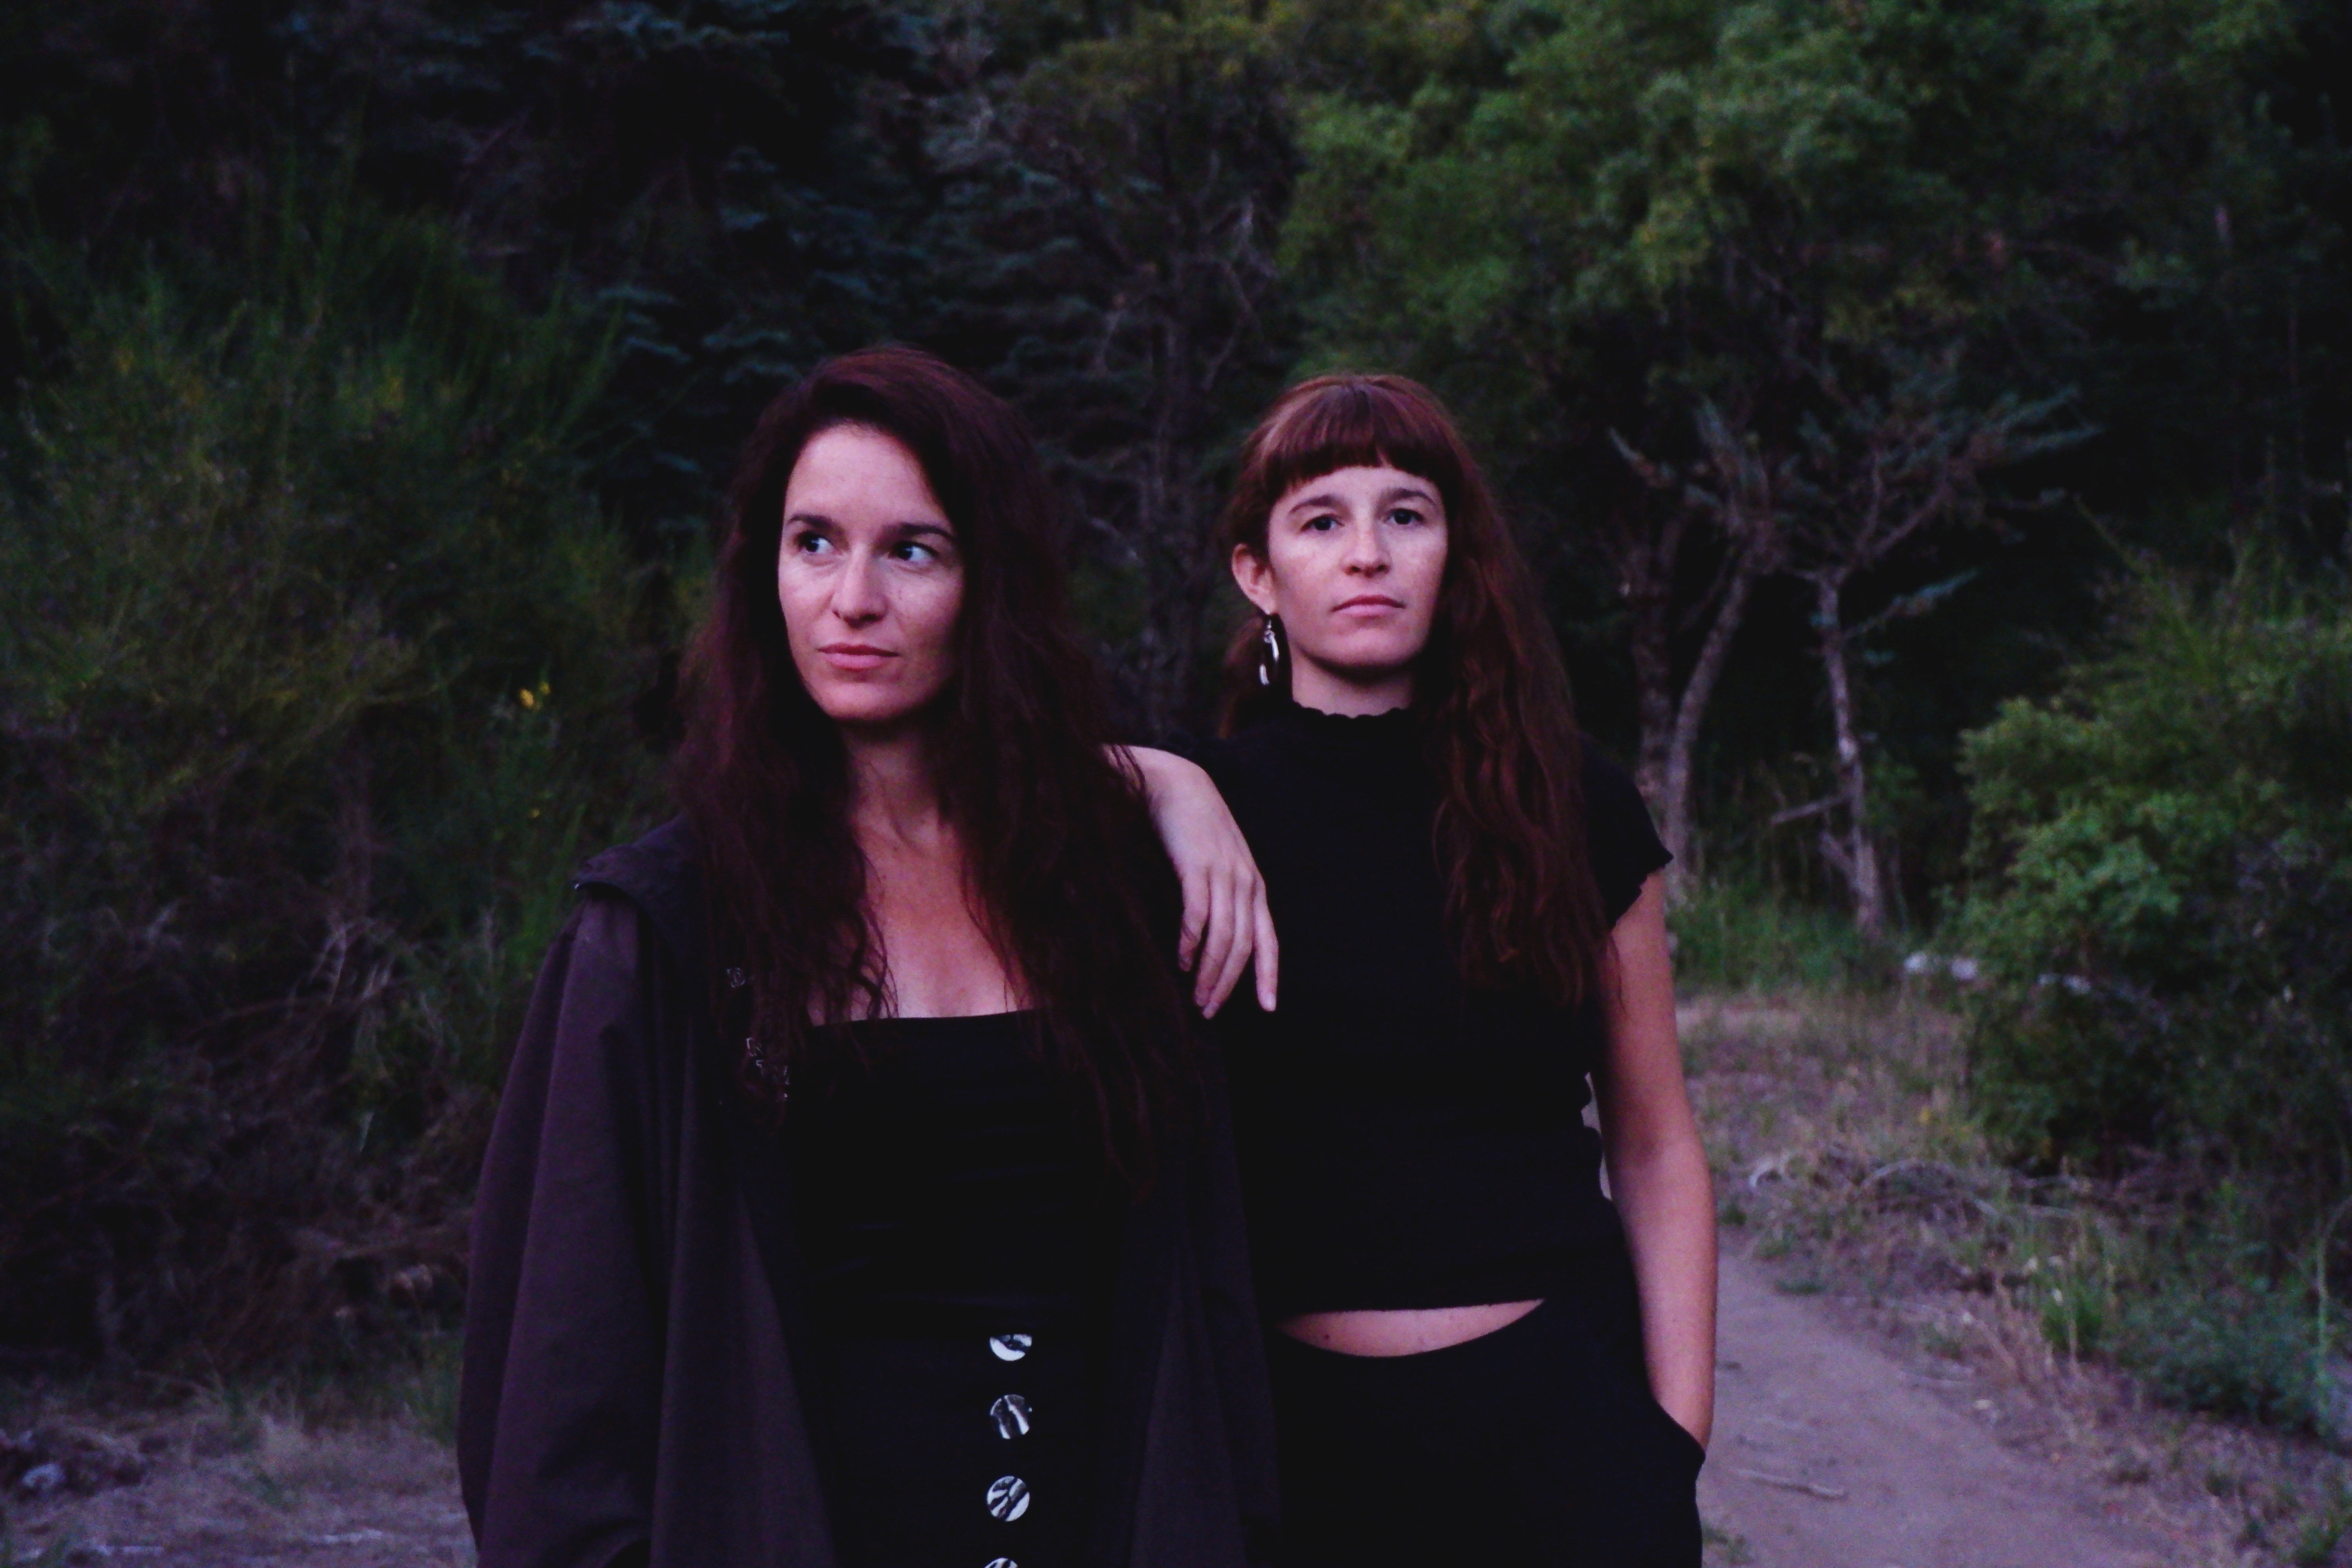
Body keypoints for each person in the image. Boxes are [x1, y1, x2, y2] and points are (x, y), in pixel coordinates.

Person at [458, 346, 1280, 1568]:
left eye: (912, 551)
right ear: (764, 575)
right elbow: (555, 1392)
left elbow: (1217, 1299)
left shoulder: (1115, 897)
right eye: (814, 544)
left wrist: (1173, 784)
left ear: (990, 584)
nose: (853, 600)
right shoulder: (665, 934)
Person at [1194, 373, 1717, 1566]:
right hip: (1294, 1454)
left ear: (1455, 552)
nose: (1367, 554)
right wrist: (1165, 786)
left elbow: (1654, 1142)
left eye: (1406, 515)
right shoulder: (1200, 812)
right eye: (1321, 520)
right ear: (1258, 573)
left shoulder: (1570, 801)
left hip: (1559, 1438)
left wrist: (1673, 1444)